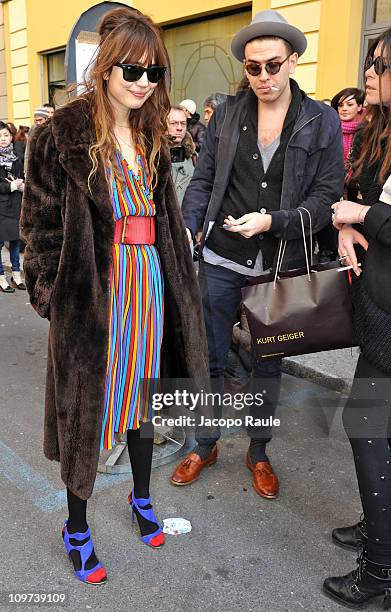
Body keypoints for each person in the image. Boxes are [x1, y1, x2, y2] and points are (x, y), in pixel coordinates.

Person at [21, 7, 208, 585]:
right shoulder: (62, 133)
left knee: (145, 398)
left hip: (151, 280)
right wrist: (54, 297)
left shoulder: (153, 133)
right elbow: (39, 228)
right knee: (89, 406)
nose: (142, 83)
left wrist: (181, 283)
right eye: (131, 69)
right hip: (95, 292)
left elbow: (167, 219)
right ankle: (75, 525)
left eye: (153, 73)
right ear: (104, 67)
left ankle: (142, 498)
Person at [171, 9, 344, 498]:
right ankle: (204, 444)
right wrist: (188, 226)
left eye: (272, 65)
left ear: (292, 61)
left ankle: (259, 449)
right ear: (244, 68)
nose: (264, 77)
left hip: (279, 264)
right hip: (221, 258)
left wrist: (274, 221)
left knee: (269, 364)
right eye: (253, 67)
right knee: (208, 355)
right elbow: (203, 181)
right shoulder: (226, 113)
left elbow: (328, 195)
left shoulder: (321, 118)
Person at [323, 28, 391, 609]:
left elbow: (370, 206)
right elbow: (352, 196)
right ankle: (379, 534)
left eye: (381, 63)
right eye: (370, 60)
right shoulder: (380, 132)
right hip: (378, 311)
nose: (370, 71)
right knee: (372, 430)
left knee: (368, 428)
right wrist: (348, 222)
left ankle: (380, 570)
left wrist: (364, 213)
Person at [0, 121, 25, 292]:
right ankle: (1, 278)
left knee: (16, 241)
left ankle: (16, 276)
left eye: (5, 135)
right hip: (1, 207)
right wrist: (12, 186)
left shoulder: (17, 155)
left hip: (16, 204)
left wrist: (22, 185)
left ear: (11, 137)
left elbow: (22, 175)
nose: (2, 139)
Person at [167, 105, 196, 206]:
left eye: (183, 124)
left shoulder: (194, 158)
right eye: (173, 123)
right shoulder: (153, 157)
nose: (179, 128)